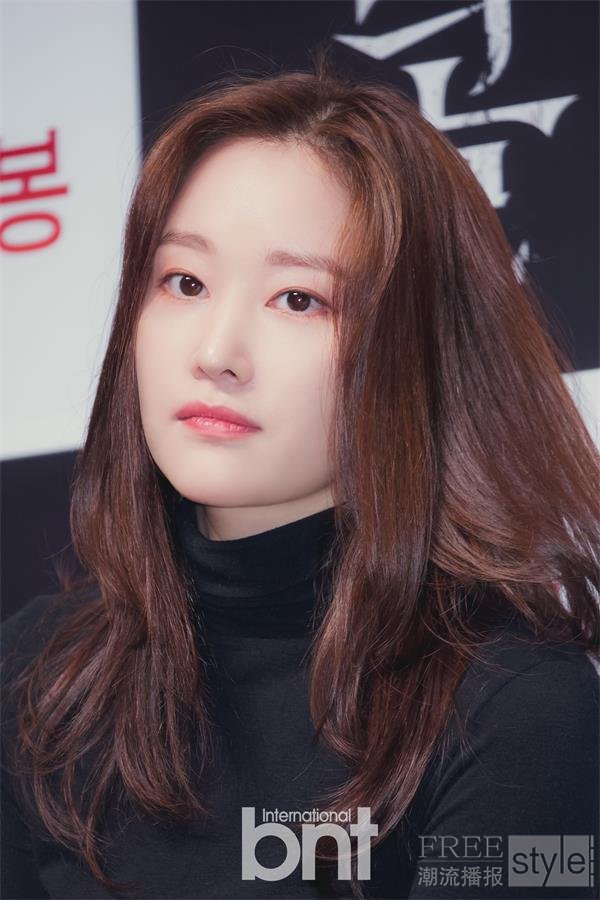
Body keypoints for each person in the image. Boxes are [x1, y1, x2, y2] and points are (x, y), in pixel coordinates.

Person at [1, 48, 599, 900]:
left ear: (417, 351)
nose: (216, 352)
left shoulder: (522, 709)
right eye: (184, 281)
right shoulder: (40, 674)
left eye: (299, 299)